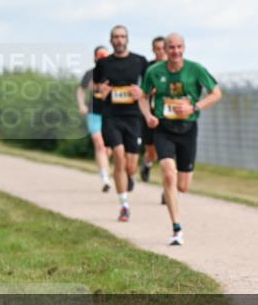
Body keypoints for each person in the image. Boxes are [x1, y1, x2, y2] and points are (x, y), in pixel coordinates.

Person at [139, 32, 222, 245]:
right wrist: (148, 116)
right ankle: (176, 228)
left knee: (183, 186)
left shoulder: (195, 69)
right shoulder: (154, 71)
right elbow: (143, 96)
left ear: (184, 48)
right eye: (171, 47)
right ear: (165, 50)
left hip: (187, 129)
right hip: (163, 128)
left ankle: (171, 192)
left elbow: (216, 93)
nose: (175, 51)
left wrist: (194, 107)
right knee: (168, 173)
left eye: (179, 47)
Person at [94, 25, 149, 222]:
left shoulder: (140, 61)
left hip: (133, 117)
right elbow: (96, 87)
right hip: (112, 116)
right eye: (116, 37)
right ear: (111, 40)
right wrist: (101, 91)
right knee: (118, 155)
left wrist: (142, 92)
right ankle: (124, 205)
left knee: (130, 164)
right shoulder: (103, 63)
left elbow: (150, 87)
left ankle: (130, 177)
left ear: (127, 39)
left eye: (122, 36)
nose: (119, 40)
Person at [76, 46, 112, 191]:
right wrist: (81, 105)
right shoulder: (89, 74)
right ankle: (105, 179)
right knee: (99, 143)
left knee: (108, 149)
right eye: (100, 55)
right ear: (95, 57)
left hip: (110, 114)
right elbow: (81, 89)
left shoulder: (114, 73)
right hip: (94, 112)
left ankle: (105, 169)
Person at [140, 35, 167, 185]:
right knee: (152, 153)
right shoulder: (148, 68)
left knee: (167, 153)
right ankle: (147, 163)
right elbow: (143, 91)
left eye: (163, 48)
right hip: (150, 114)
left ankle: (168, 186)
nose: (161, 52)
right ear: (153, 50)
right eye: (158, 49)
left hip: (169, 115)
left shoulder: (175, 66)